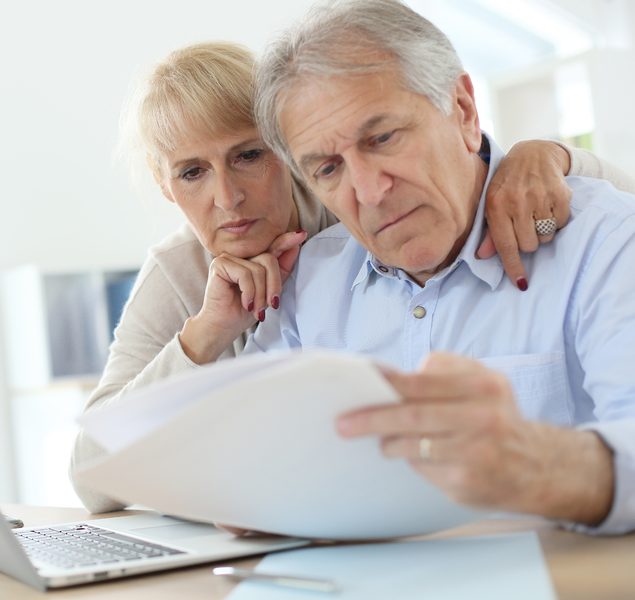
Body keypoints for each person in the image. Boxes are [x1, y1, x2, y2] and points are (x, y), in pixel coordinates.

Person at [70, 40, 635, 514]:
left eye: (248, 155)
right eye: (192, 172)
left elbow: (605, 211)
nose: (227, 196)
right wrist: (205, 333)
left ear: (288, 154)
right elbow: (94, 475)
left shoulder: (358, 221)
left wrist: (547, 156)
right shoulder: (182, 270)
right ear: (165, 184)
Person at [234, 0, 635, 533]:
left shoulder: (604, 242)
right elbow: (243, 458)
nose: (370, 192)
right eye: (329, 168)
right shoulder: (307, 282)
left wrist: (537, 465)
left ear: (464, 111)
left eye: (382, 138)